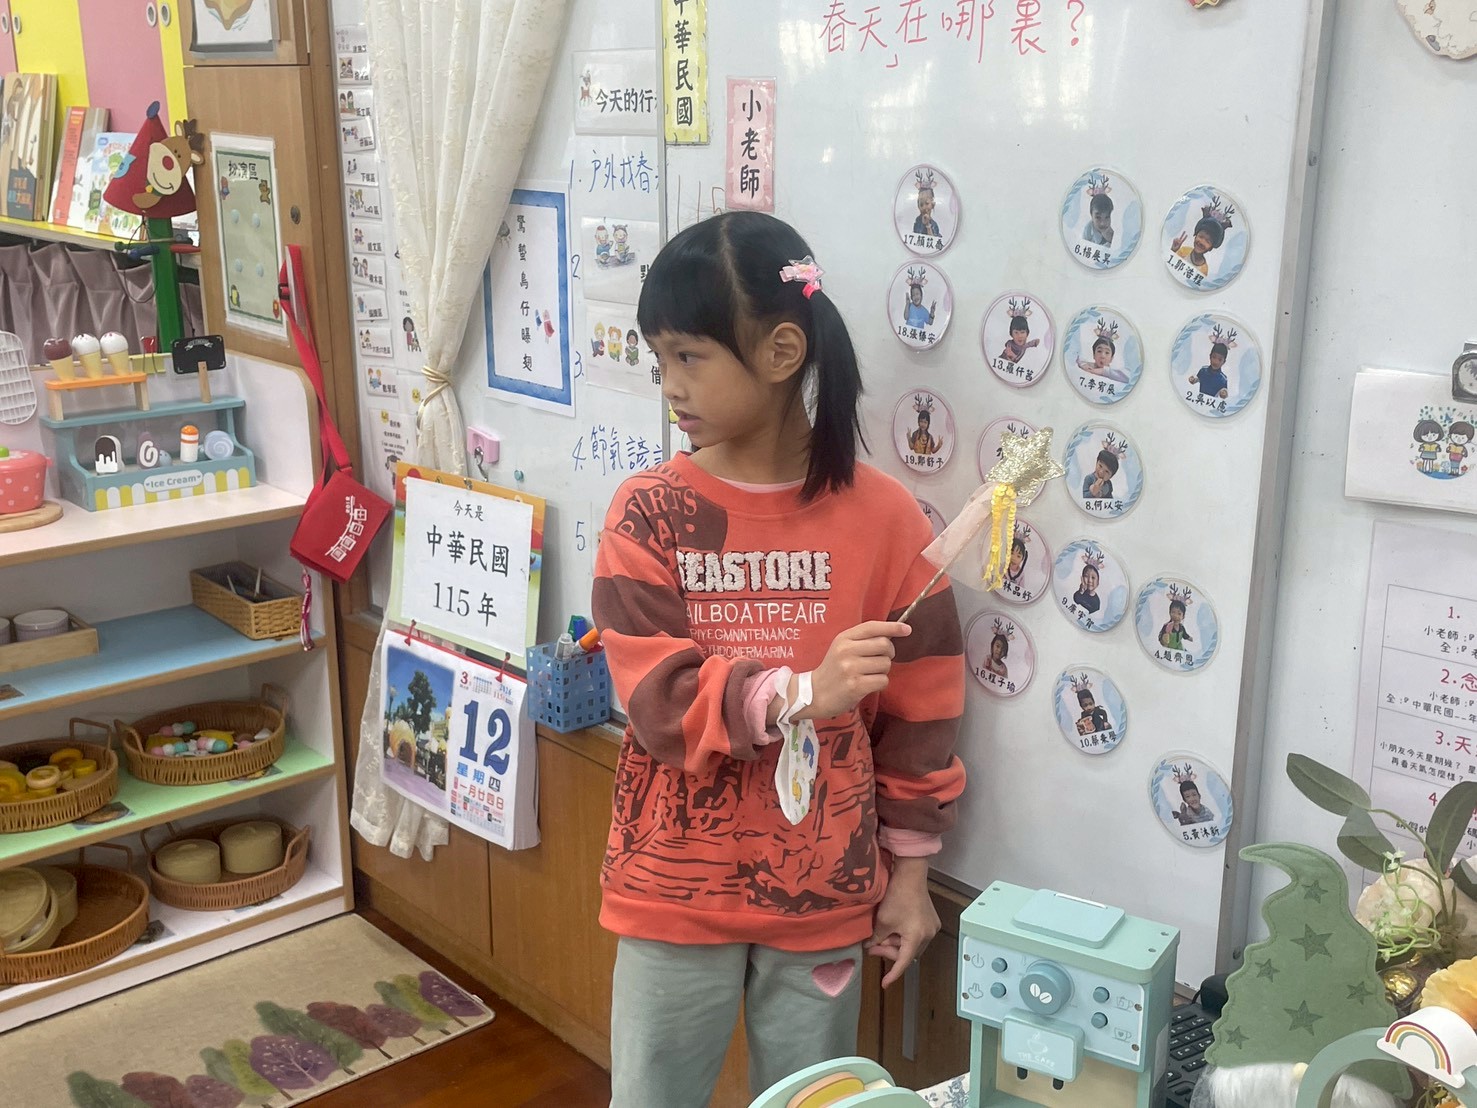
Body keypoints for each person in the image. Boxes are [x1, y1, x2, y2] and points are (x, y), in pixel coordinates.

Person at [593, 211, 967, 1108]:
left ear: (780, 351)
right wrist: (804, 691)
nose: (669, 385)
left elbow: (923, 714)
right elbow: (657, 699)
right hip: (673, 891)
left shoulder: (887, 519)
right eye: (658, 358)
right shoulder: (647, 511)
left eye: (689, 356)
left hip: (824, 896)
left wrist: (910, 876)